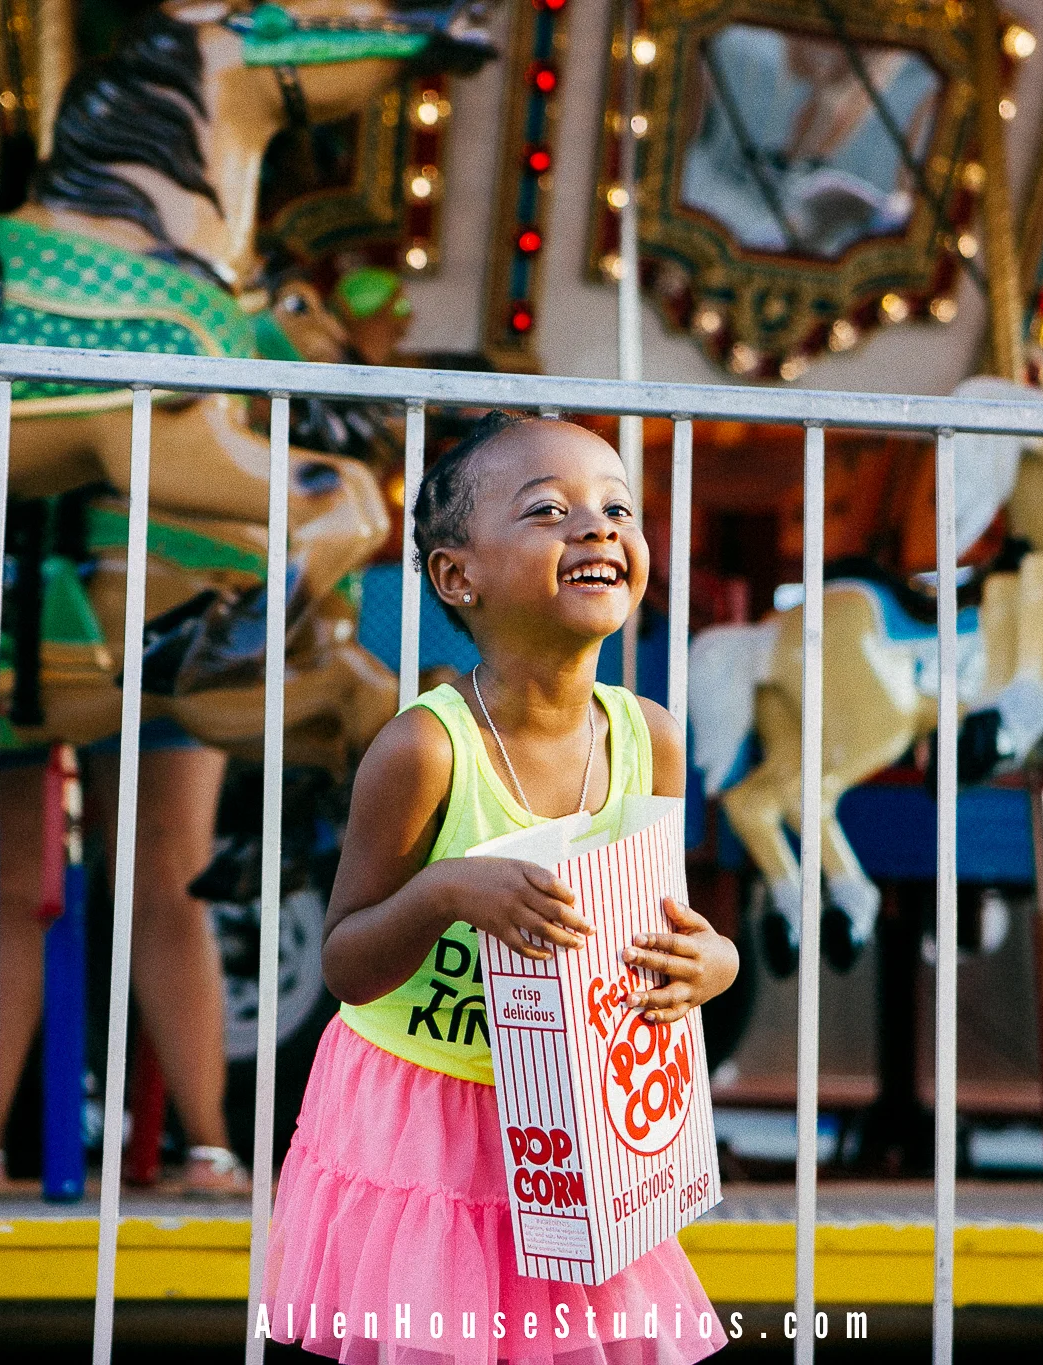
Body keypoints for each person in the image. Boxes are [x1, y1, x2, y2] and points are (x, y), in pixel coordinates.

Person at [260, 413, 739, 1363]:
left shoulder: (652, 740)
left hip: (576, 1127)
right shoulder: (427, 748)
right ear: (457, 575)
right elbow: (347, 961)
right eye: (549, 511)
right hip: (423, 1122)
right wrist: (447, 891)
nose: (598, 528)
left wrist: (711, 963)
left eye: (615, 509)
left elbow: (670, 928)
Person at [0, 730, 249, 1197]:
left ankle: (210, 1149)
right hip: (35, 661)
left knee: (171, 874)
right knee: (11, 867)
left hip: (141, 664)